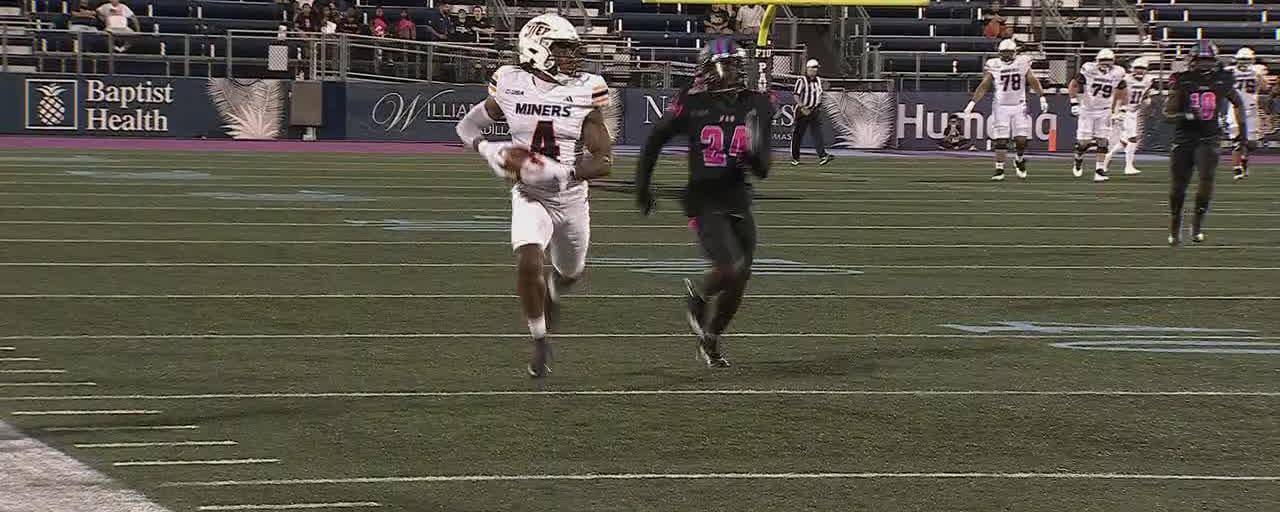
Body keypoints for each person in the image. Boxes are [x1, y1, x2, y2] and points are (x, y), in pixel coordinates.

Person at [454, 14, 613, 378]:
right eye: (562, 49)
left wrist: (567, 172)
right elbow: (467, 127)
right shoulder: (511, 83)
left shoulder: (587, 89)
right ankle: (539, 338)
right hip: (529, 194)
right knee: (528, 257)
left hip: (571, 198)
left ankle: (557, 288)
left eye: (572, 49)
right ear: (537, 49)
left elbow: (603, 161)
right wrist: (488, 150)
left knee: (570, 271)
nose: (572, 57)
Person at [635, 38, 772, 368]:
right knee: (728, 267)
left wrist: (754, 145)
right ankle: (698, 295)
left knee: (740, 278)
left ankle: (711, 338)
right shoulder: (692, 103)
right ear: (708, 72)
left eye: (738, 66)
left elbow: (762, 170)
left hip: (737, 196)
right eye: (727, 67)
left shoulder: (757, 103)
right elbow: (655, 140)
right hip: (703, 196)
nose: (734, 73)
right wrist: (643, 185)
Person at [1163, 40, 1246, 245]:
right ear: (1192, 60)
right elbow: (1167, 115)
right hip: (1185, 137)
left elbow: (1238, 103)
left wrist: (1242, 134)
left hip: (1209, 137)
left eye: (1207, 60)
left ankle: (1197, 225)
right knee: (1178, 187)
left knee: (1207, 180)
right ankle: (1175, 224)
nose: (1204, 64)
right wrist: (1187, 116)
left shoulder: (1222, 79)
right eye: (1201, 59)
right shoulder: (1182, 80)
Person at [964, 39, 1048, 181]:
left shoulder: (1022, 62)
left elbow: (1032, 80)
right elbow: (984, 85)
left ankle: (1019, 159)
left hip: (1019, 105)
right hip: (1001, 106)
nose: (1007, 56)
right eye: (1004, 53)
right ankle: (999, 168)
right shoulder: (994, 64)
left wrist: (1042, 97)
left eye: (1009, 53)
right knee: (1000, 140)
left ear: (1014, 52)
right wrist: (972, 103)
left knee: (1021, 140)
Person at [1068, 48, 1127, 182]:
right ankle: (1078, 156)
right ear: (1097, 61)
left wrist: (1123, 107)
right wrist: (1074, 103)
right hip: (1087, 109)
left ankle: (1099, 170)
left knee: (1103, 141)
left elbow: (1123, 90)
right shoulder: (1089, 69)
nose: (1105, 64)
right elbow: (1073, 84)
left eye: (1108, 61)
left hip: (1105, 110)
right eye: (1103, 61)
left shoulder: (1118, 72)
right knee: (1084, 142)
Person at [1102, 57, 1153, 176]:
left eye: (1142, 68)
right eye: (1137, 68)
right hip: (1124, 111)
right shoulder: (1125, 79)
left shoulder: (1148, 80)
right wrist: (1115, 110)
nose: (1140, 71)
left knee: (1124, 142)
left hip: (1134, 112)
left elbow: (1145, 94)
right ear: (1132, 69)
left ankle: (1106, 160)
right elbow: (1116, 94)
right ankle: (1128, 166)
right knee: (1133, 138)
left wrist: (1146, 100)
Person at [1228, 47, 1268, 180]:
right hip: (1235, 109)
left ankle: (1244, 159)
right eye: (1242, 60)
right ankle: (1236, 169)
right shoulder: (1231, 71)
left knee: (1251, 143)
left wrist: (1259, 77)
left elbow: (1264, 87)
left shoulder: (1256, 71)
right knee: (1237, 141)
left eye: (1246, 60)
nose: (1244, 62)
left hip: (1251, 109)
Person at [791, 59, 832, 166]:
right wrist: (802, 107)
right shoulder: (802, 80)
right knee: (798, 135)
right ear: (808, 69)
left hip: (814, 110)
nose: (815, 70)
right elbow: (796, 95)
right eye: (813, 68)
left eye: (816, 68)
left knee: (817, 133)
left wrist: (819, 105)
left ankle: (823, 155)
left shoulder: (818, 80)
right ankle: (795, 158)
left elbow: (820, 93)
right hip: (803, 111)